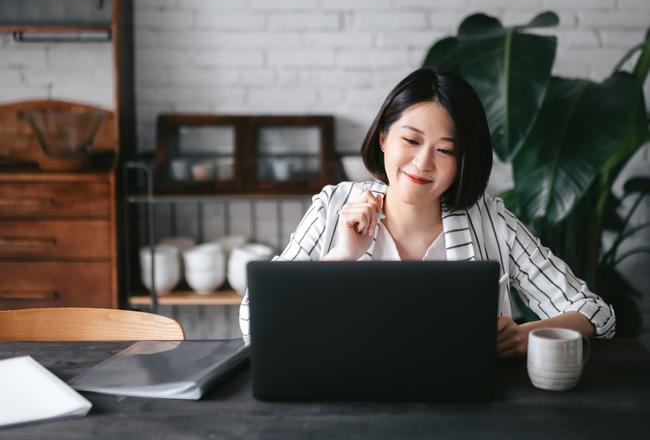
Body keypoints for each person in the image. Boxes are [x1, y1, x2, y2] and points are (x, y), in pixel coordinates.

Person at [239, 67, 616, 356]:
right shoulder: (333, 208)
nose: (423, 163)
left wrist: (522, 335)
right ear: (384, 138)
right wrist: (341, 257)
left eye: (446, 150)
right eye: (411, 140)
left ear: (462, 161)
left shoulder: (490, 221)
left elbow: (596, 314)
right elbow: (255, 319)